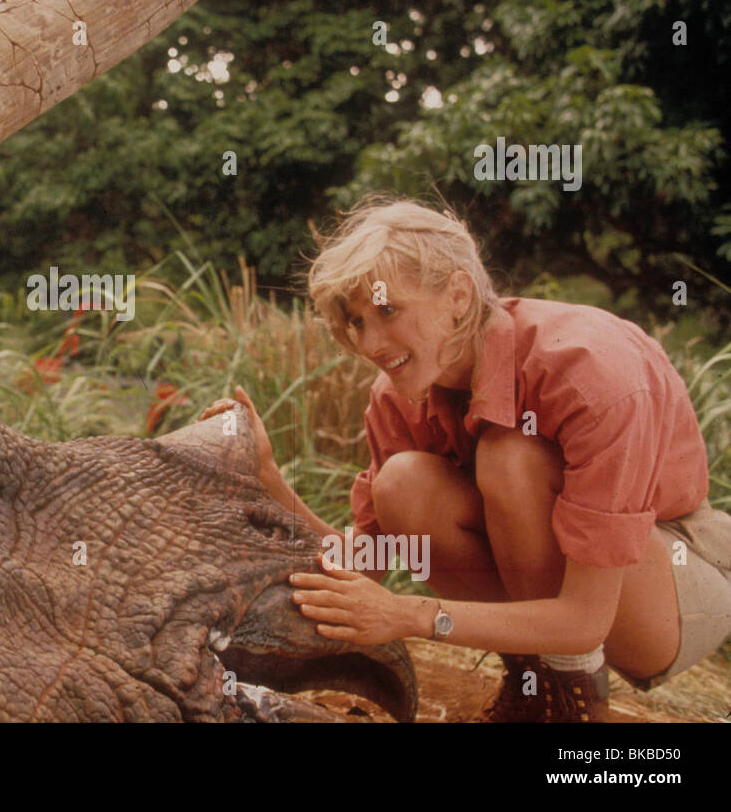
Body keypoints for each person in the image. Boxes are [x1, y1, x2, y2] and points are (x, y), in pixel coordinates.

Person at [201, 198, 731, 722]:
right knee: (403, 482)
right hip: (573, 601)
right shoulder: (397, 397)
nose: (371, 341)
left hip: (674, 588)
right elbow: (367, 563)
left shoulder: (588, 371)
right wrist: (267, 474)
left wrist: (410, 617)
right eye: (356, 322)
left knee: (511, 455)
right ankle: (532, 682)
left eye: (388, 310)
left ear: (458, 294)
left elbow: (586, 620)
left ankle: (575, 707)